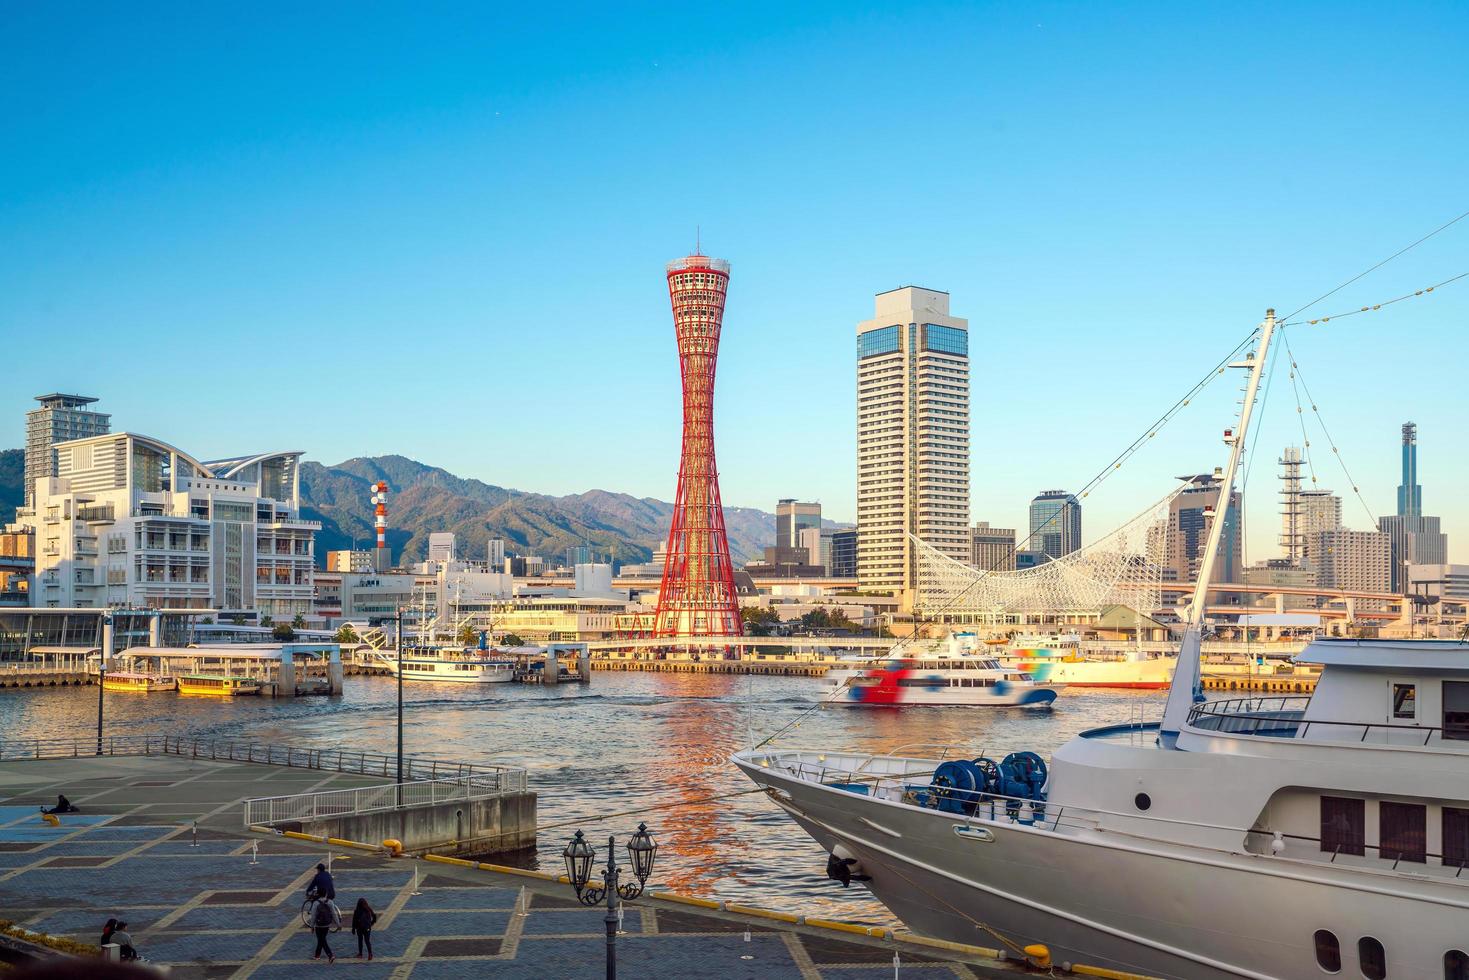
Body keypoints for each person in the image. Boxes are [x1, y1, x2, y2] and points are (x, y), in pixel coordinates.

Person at [310, 897, 338, 963]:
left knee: (322, 940)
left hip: (318, 925)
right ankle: (317, 955)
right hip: (326, 924)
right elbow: (334, 913)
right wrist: (338, 924)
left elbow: (313, 915)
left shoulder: (316, 903)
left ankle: (330, 955)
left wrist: (312, 926)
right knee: (321, 939)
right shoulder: (330, 902)